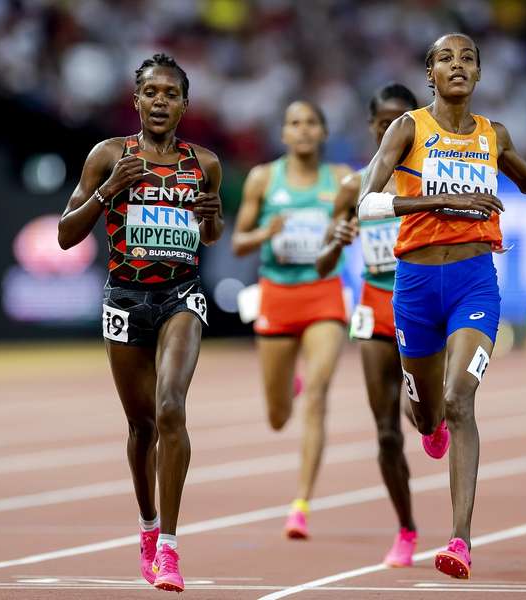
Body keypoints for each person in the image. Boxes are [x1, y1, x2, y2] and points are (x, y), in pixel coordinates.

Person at [357, 33, 526, 579]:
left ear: (479, 74)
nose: (458, 65)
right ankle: (429, 424)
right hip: (416, 287)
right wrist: (441, 198)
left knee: (460, 399)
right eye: (446, 58)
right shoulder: (408, 129)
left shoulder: (493, 134)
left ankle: (460, 540)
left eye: (468, 58)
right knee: (425, 413)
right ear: (430, 74)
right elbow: (368, 204)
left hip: (474, 283)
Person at [58, 53, 223, 593]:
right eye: (150, 92)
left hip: (181, 297)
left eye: (170, 94)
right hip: (126, 300)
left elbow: (213, 232)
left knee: (171, 407)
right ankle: (148, 526)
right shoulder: (109, 155)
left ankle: (171, 550)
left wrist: (210, 215)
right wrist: (110, 189)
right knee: (141, 428)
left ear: (184, 104)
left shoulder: (205, 162)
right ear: (136, 100)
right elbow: (65, 235)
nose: (160, 101)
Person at [232, 100, 353, 539]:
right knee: (279, 414)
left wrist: (346, 232)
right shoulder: (264, 178)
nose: (303, 131)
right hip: (278, 297)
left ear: (322, 132)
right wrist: (267, 232)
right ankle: (289, 385)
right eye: (294, 124)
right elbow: (239, 243)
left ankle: (300, 503)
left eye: (311, 124)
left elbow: (362, 223)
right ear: (283, 133)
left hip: (324, 296)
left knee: (318, 396)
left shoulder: (340, 179)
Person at [315, 83, 420, 567]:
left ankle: (432, 419)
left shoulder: (428, 182)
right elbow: (320, 264)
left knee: (422, 415)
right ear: (373, 125)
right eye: (383, 122)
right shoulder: (353, 187)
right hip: (375, 305)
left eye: (402, 120)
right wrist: (336, 241)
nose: (392, 129)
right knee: (386, 431)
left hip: (423, 303)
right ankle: (406, 528)